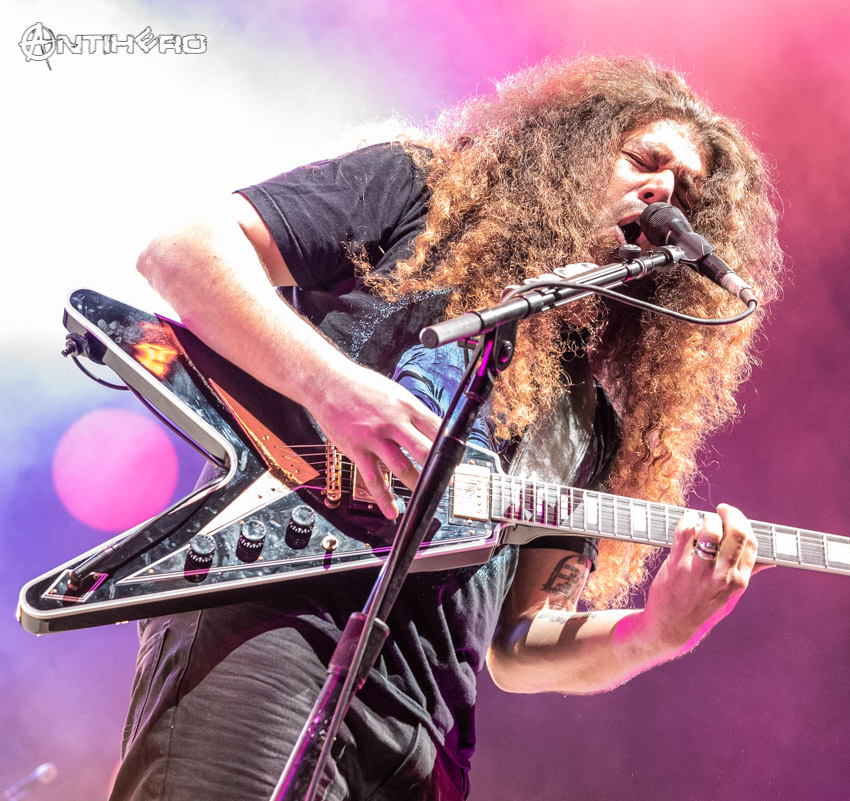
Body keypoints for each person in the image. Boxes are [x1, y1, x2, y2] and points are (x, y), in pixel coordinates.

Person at [111, 56, 784, 800]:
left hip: (427, 734)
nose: (664, 194)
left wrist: (655, 633)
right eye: (645, 161)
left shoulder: (588, 425)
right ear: (575, 145)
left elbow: (519, 644)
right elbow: (181, 250)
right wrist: (334, 387)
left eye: (686, 193)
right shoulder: (422, 195)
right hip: (269, 636)